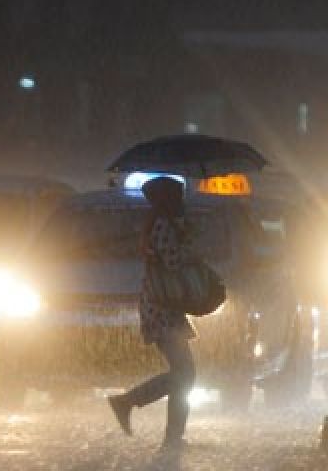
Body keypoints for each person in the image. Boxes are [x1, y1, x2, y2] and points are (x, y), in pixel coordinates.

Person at [108, 176, 197, 450]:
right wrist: (190, 244)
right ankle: (129, 402)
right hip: (163, 309)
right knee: (184, 373)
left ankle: (173, 435)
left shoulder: (161, 224)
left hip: (162, 306)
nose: (182, 201)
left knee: (184, 373)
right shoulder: (164, 227)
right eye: (177, 196)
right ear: (167, 199)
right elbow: (175, 262)